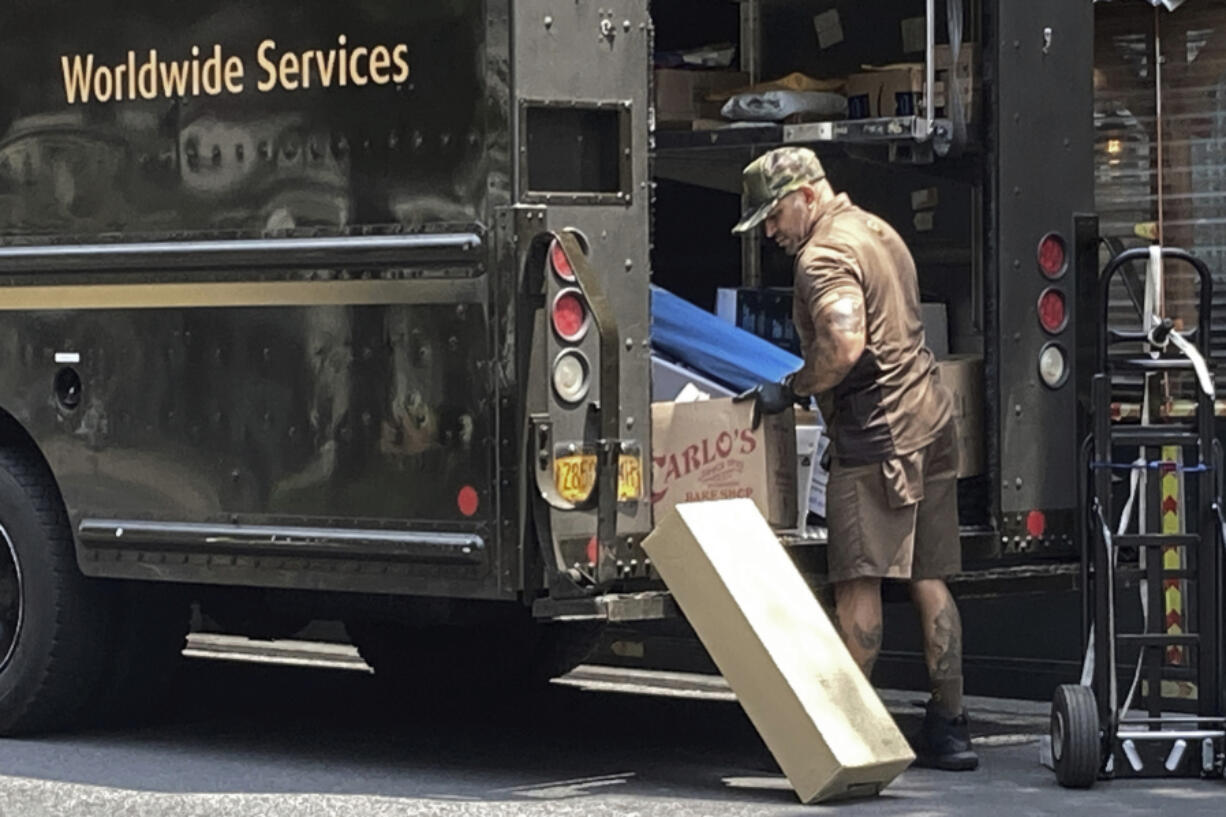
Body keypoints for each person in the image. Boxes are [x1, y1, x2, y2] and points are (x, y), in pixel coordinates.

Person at [732, 147, 978, 772]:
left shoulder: (822, 257)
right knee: (930, 581)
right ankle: (950, 727)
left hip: (874, 439)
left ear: (808, 195)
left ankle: (846, 735)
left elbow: (843, 345)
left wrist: (792, 387)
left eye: (774, 214)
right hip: (930, 421)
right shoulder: (878, 230)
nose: (770, 231)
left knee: (857, 586)